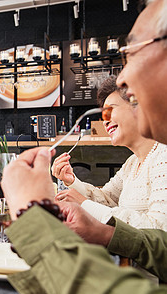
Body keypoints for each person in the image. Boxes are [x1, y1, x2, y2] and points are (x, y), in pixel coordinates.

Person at [2, 0, 167, 294]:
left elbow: (157, 234)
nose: (123, 79)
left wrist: (34, 218)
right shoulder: (133, 163)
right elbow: (113, 200)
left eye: (132, 53)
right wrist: (76, 189)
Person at [52, 76, 167, 229]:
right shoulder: (132, 163)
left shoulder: (163, 155)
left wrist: (83, 203)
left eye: (109, 111)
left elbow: (159, 228)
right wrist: (73, 181)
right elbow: (106, 201)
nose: (104, 121)